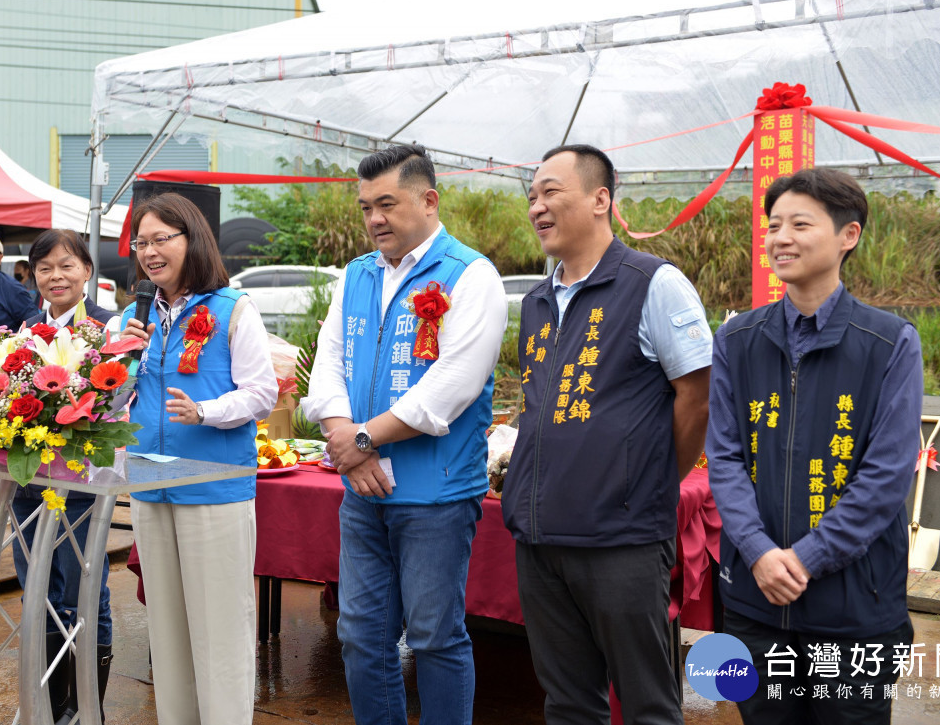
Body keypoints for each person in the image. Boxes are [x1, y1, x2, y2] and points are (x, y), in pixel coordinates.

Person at [501, 144, 711, 725]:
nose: (537, 206)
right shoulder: (539, 300)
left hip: (621, 539)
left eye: (551, 192)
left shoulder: (653, 283)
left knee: (646, 703)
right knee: (568, 703)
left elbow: (698, 397)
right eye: (532, 196)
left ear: (601, 199)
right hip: (540, 538)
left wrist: (647, 480)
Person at [706, 168, 923, 724]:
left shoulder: (889, 342)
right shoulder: (736, 339)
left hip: (854, 608)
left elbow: (887, 476)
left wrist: (804, 558)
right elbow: (725, 457)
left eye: (800, 224)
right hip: (755, 603)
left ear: (847, 235)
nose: (781, 237)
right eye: (773, 225)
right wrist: (756, 552)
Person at [302, 144, 507, 725]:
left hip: (435, 495)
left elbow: (455, 383)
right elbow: (329, 364)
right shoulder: (357, 275)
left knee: (435, 637)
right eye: (366, 206)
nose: (374, 219)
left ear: (428, 199)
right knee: (361, 636)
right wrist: (349, 443)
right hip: (363, 494)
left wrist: (361, 440)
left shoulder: (470, 275)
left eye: (386, 204)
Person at [118, 193, 277, 725]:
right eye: (142, 242)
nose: (150, 251)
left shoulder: (233, 309)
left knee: (220, 628)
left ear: (193, 240)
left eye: (163, 238)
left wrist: (206, 411)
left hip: (214, 485)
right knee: (166, 627)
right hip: (149, 483)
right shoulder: (134, 318)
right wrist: (117, 364)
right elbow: (112, 401)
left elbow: (261, 393)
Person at [0, 229, 116, 725]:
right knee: (37, 593)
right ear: (32, 276)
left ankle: (87, 703)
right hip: (27, 485)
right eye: (45, 267)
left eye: (67, 265)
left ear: (87, 271)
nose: (56, 276)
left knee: (83, 589)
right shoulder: (23, 333)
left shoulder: (109, 330)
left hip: (83, 484)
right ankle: (51, 703)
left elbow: (116, 406)